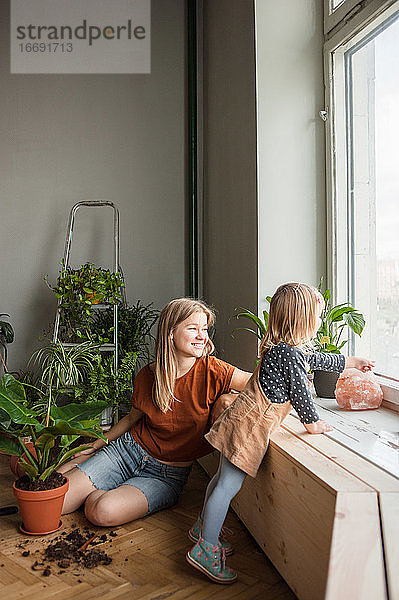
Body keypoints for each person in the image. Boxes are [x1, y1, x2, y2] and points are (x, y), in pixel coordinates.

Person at [186, 283, 375, 584]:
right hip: (249, 428)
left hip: (240, 420)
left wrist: (350, 362)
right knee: (227, 487)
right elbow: (301, 393)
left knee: (220, 482)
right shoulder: (289, 355)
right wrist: (312, 424)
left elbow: (315, 361)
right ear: (303, 320)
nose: (317, 322)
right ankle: (206, 549)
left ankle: (202, 529)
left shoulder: (283, 349)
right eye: (315, 316)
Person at [59, 297, 251, 527]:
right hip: (126, 452)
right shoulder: (148, 375)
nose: (203, 336)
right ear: (171, 332)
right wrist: (96, 445)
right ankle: (98, 474)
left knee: (101, 512)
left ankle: (103, 486)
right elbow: (132, 418)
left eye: (205, 329)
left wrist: (230, 398)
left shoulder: (215, 371)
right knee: (57, 502)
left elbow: (260, 386)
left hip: (165, 475)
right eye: (193, 329)